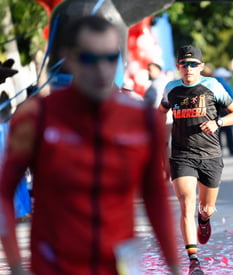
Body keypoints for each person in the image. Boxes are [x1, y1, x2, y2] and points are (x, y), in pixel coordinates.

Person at [0, 15, 180, 275]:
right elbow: (4, 192)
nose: (101, 69)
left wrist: (174, 266)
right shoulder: (36, 117)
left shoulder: (143, 120)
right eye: (89, 59)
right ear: (69, 58)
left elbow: (155, 197)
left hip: (119, 265)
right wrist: (16, 265)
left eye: (110, 58)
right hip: (55, 265)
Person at [159, 45, 233, 275]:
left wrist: (218, 123)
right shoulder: (171, 89)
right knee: (186, 203)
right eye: (183, 65)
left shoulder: (213, 86)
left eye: (193, 64)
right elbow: (160, 112)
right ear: (178, 67)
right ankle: (193, 260)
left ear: (201, 67)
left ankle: (204, 219)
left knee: (205, 208)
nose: (188, 69)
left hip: (210, 156)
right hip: (181, 155)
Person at [201, 64, 233, 156]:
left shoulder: (213, 82)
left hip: (219, 107)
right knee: (226, 129)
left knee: (218, 130)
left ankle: (220, 150)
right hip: (224, 107)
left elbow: (230, 94)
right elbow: (232, 94)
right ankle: (231, 149)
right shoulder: (219, 80)